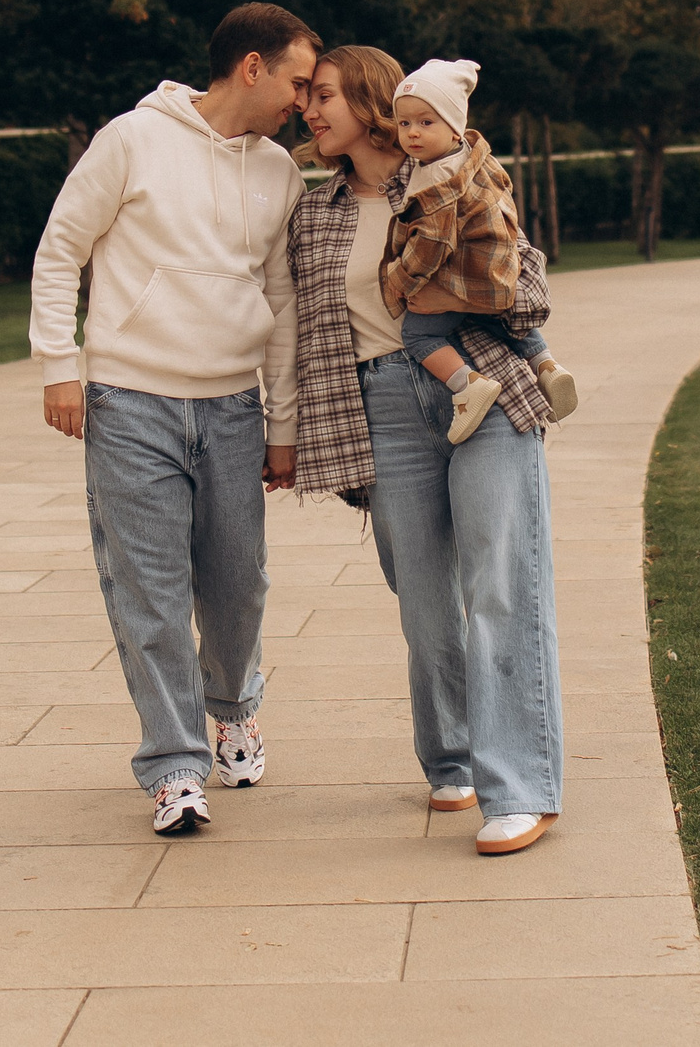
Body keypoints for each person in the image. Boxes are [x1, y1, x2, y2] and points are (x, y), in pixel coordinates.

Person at [30, 2, 320, 837]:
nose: (303, 100)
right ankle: (174, 765)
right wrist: (61, 364)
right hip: (129, 402)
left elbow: (281, 302)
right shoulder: (132, 138)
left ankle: (233, 711)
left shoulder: (280, 172)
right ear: (253, 67)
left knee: (239, 585)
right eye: (298, 81)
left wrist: (283, 424)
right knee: (149, 593)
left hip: (233, 407)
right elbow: (62, 247)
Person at [283, 45, 565, 856]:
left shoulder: (450, 173)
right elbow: (299, 326)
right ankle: (451, 757)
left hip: (479, 382)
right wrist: (293, 430)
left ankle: (520, 786)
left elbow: (530, 285)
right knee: (421, 596)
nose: (311, 109)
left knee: (499, 582)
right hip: (383, 402)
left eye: (325, 95)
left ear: (371, 99)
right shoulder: (317, 210)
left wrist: (465, 285)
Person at [382, 57, 581, 444]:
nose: (412, 134)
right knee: (495, 318)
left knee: (419, 336)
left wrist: (401, 280)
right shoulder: (476, 159)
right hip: (492, 270)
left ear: (455, 127)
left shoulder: (436, 179)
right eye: (404, 123)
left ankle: (467, 386)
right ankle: (546, 364)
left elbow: (433, 242)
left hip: (458, 276)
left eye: (426, 122)